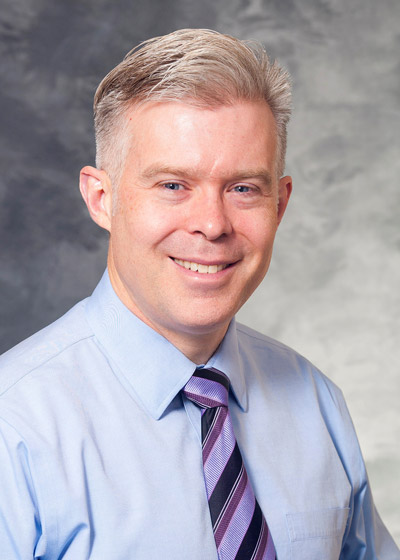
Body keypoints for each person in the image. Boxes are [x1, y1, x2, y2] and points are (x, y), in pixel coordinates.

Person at [0, 28, 398, 560]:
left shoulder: (316, 403)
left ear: (279, 205)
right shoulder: (14, 428)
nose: (212, 225)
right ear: (101, 198)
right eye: (173, 185)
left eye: (243, 188)